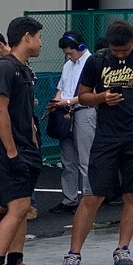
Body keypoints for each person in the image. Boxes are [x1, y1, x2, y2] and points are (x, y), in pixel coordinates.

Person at [66, 20, 133, 265]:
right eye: (115, 51)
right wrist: (101, 98)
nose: (119, 55)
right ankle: (73, 253)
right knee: (93, 194)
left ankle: (123, 248)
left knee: (132, 193)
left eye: (124, 50)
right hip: (106, 135)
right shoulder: (96, 60)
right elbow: (83, 96)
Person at [0, 18, 45, 265]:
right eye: (39, 36)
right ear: (27, 37)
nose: (41, 42)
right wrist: (11, 151)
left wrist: (31, 143)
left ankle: (15, 263)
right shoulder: (5, 69)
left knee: (23, 208)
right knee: (16, 207)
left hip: (25, 147)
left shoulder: (23, 70)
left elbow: (26, 114)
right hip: (8, 147)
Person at [48, 32, 91, 213]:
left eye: (70, 52)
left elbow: (90, 92)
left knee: (85, 158)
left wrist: (65, 102)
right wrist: (57, 102)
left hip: (84, 111)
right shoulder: (68, 65)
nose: (68, 56)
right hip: (66, 111)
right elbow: (61, 87)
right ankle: (70, 198)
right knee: (68, 160)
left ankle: (88, 198)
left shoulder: (92, 63)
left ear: (80, 48)